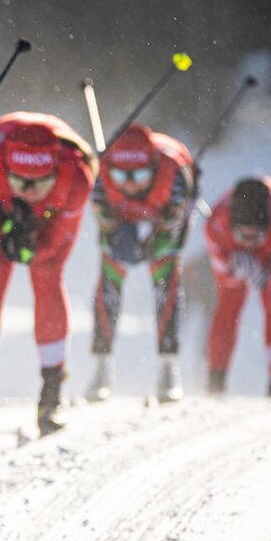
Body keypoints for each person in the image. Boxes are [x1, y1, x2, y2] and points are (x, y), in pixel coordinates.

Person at [0, 112, 96, 436]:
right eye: (22, 183)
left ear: (55, 173)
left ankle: (51, 395)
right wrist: (2, 240)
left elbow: (56, 246)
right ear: (6, 171)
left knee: (47, 274)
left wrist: (34, 245)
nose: (31, 191)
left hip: (44, 210)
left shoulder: (76, 177)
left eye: (40, 183)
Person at [86, 123, 195, 403]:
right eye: (122, 175)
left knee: (166, 281)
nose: (131, 183)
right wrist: (119, 237)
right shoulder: (102, 178)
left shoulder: (175, 177)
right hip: (121, 218)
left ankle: (169, 367)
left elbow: (174, 223)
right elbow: (103, 221)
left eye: (140, 175)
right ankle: (101, 366)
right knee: (109, 280)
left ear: (155, 167)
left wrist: (151, 243)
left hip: (162, 219)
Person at [205, 176, 271, 397]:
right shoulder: (216, 225)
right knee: (228, 305)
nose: (249, 243)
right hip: (233, 253)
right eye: (243, 235)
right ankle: (216, 378)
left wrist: (269, 280)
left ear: (267, 228)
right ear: (232, 227)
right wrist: (233, 272)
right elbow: (223, 278)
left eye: (256, 236)